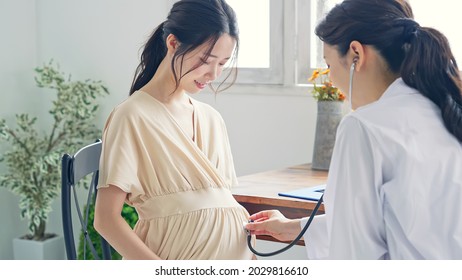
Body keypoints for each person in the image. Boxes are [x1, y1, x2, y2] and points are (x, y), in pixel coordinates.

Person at [246, 0, 462, 259]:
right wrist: (294, 227)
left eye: (329, 65)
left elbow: (353, 255)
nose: (330, 78)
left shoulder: (364, 126)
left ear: (355, 55)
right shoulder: (446, 109)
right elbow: (407, 226)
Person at [94, 0, 254, 260]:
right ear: (173, 44)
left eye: (222, 64)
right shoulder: (131, 116)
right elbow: (105, 220)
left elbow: (222, 208)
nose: (213, 74)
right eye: (205, 59)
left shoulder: (212, 119)